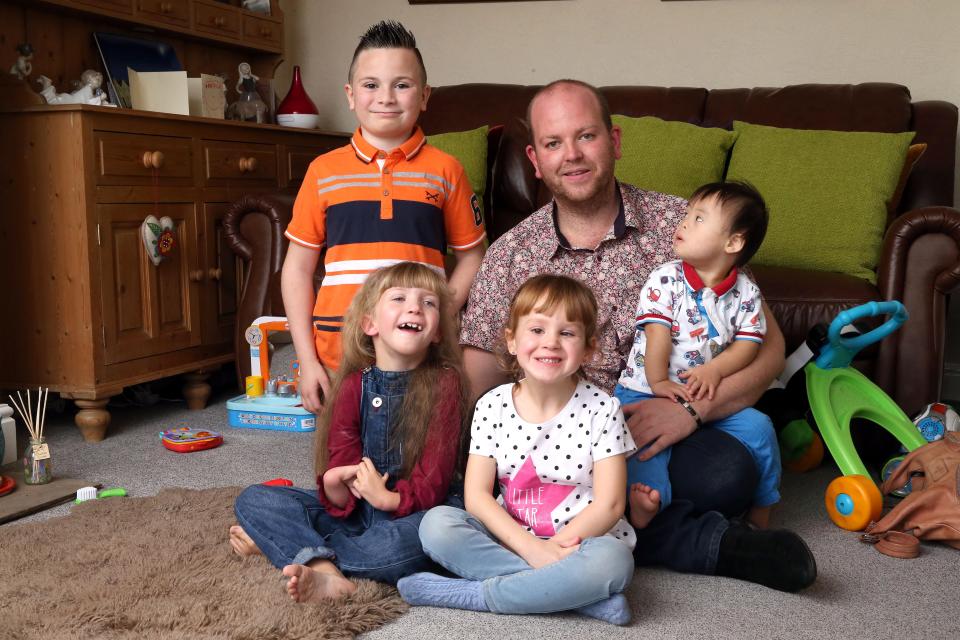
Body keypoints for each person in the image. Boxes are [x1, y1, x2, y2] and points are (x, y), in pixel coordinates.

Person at [460, 79, 816, 592]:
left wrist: (690, 411)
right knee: (482, 483)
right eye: (554, 143)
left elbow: (769, 348)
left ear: (615, 142)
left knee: (728, 473)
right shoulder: (510, 254)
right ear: (535, 160)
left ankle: (564, 532)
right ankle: (707, 543)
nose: (572, 155)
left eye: (586, 136)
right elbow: (479, 382)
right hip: (554, 445)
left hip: (658, 431)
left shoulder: (686, 225)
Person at [399, 274, 636, 625]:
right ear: (511, 340)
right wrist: (533, 550)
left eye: (567, 333)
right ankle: (579, 599)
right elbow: (477, 497)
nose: (550, 343)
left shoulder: (603, 409)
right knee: (436, 525)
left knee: (614, 562)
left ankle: (477, 596)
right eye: (537, 330)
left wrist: (554, 549)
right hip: (510, 537)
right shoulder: (491, 405)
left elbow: (611, 504)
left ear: (588, 349)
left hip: (581, 545)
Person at [230, 262, 468, 603]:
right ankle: (321, 567)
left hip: (417, 513)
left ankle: (289, 548)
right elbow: (341, 465)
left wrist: (390, 500)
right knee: (255, 499)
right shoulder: (353, 383)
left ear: (437, 333)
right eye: (399, 298)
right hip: (357, 515)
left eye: (428, 302)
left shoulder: (446, 384)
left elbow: (435, 477)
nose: (415, 307)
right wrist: (333, 484)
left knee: (407, 546)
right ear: (370, 324)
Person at [282, 20, 486, 414]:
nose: (386, 98)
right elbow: (296, 270)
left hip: (418, 352)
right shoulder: (323, 171)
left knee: (422, 443)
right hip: (337, 351)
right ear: (350, 95)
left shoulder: (446, 170)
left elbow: (473, 255)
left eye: (402, 85)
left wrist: (440, 311)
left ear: (424, 96)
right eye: (371, 85)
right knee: (342, 449)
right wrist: (307, 361)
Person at [614, 181, 780, 531]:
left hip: (702, 395)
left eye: (699, 218)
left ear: (733, 243)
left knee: (761, 428)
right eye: (688, 214)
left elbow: (748, 345)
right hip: (645, 389)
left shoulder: (747, 293)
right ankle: (646, 506)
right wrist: (659, 382)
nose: (684, 222)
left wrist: (715, 370)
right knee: (643, 449)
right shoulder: (665, 279)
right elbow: (657, 336)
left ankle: (764, 504)